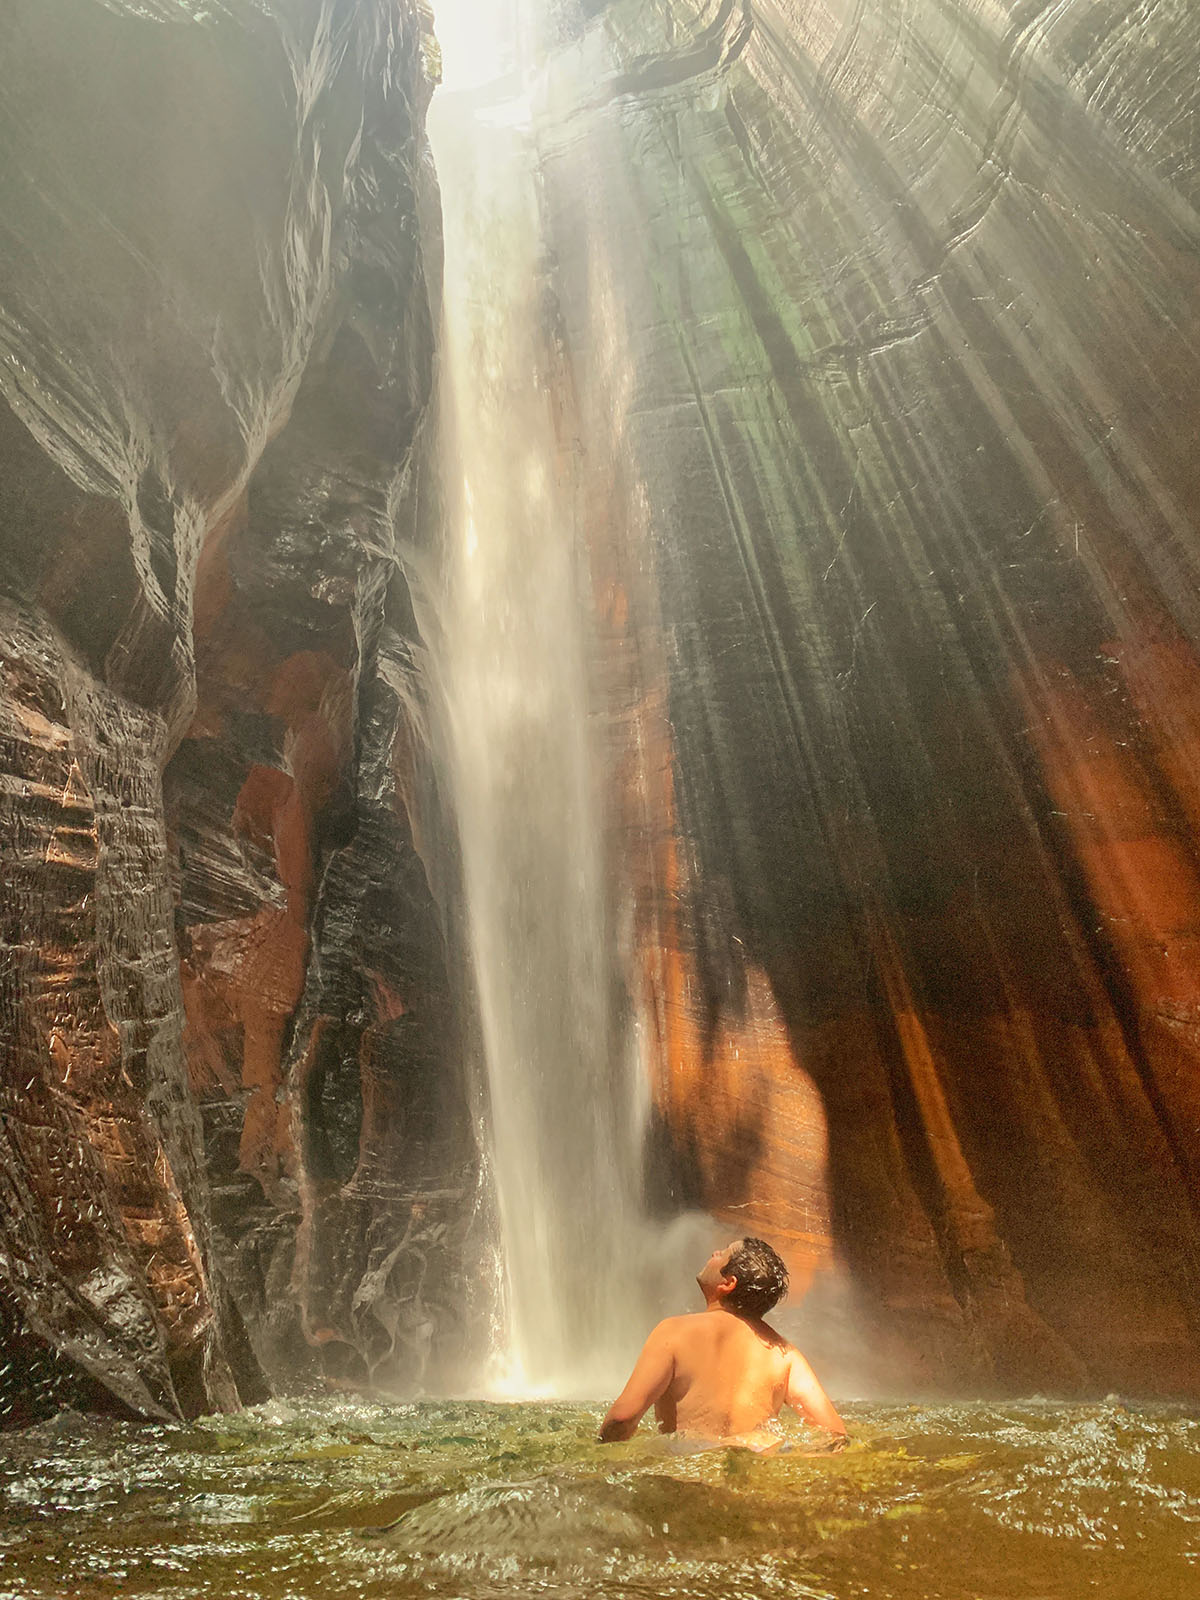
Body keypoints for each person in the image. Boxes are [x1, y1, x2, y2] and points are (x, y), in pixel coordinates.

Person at [598, 1236, 847, 1452]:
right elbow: (836, 1437)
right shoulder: (785, 1355)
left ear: (728, 1283)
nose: (715, 1252)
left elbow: (623, 1418)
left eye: (724, 1252)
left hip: (687, 1475)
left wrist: (598, 1461)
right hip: (753, 1478)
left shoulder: (673, 1332)